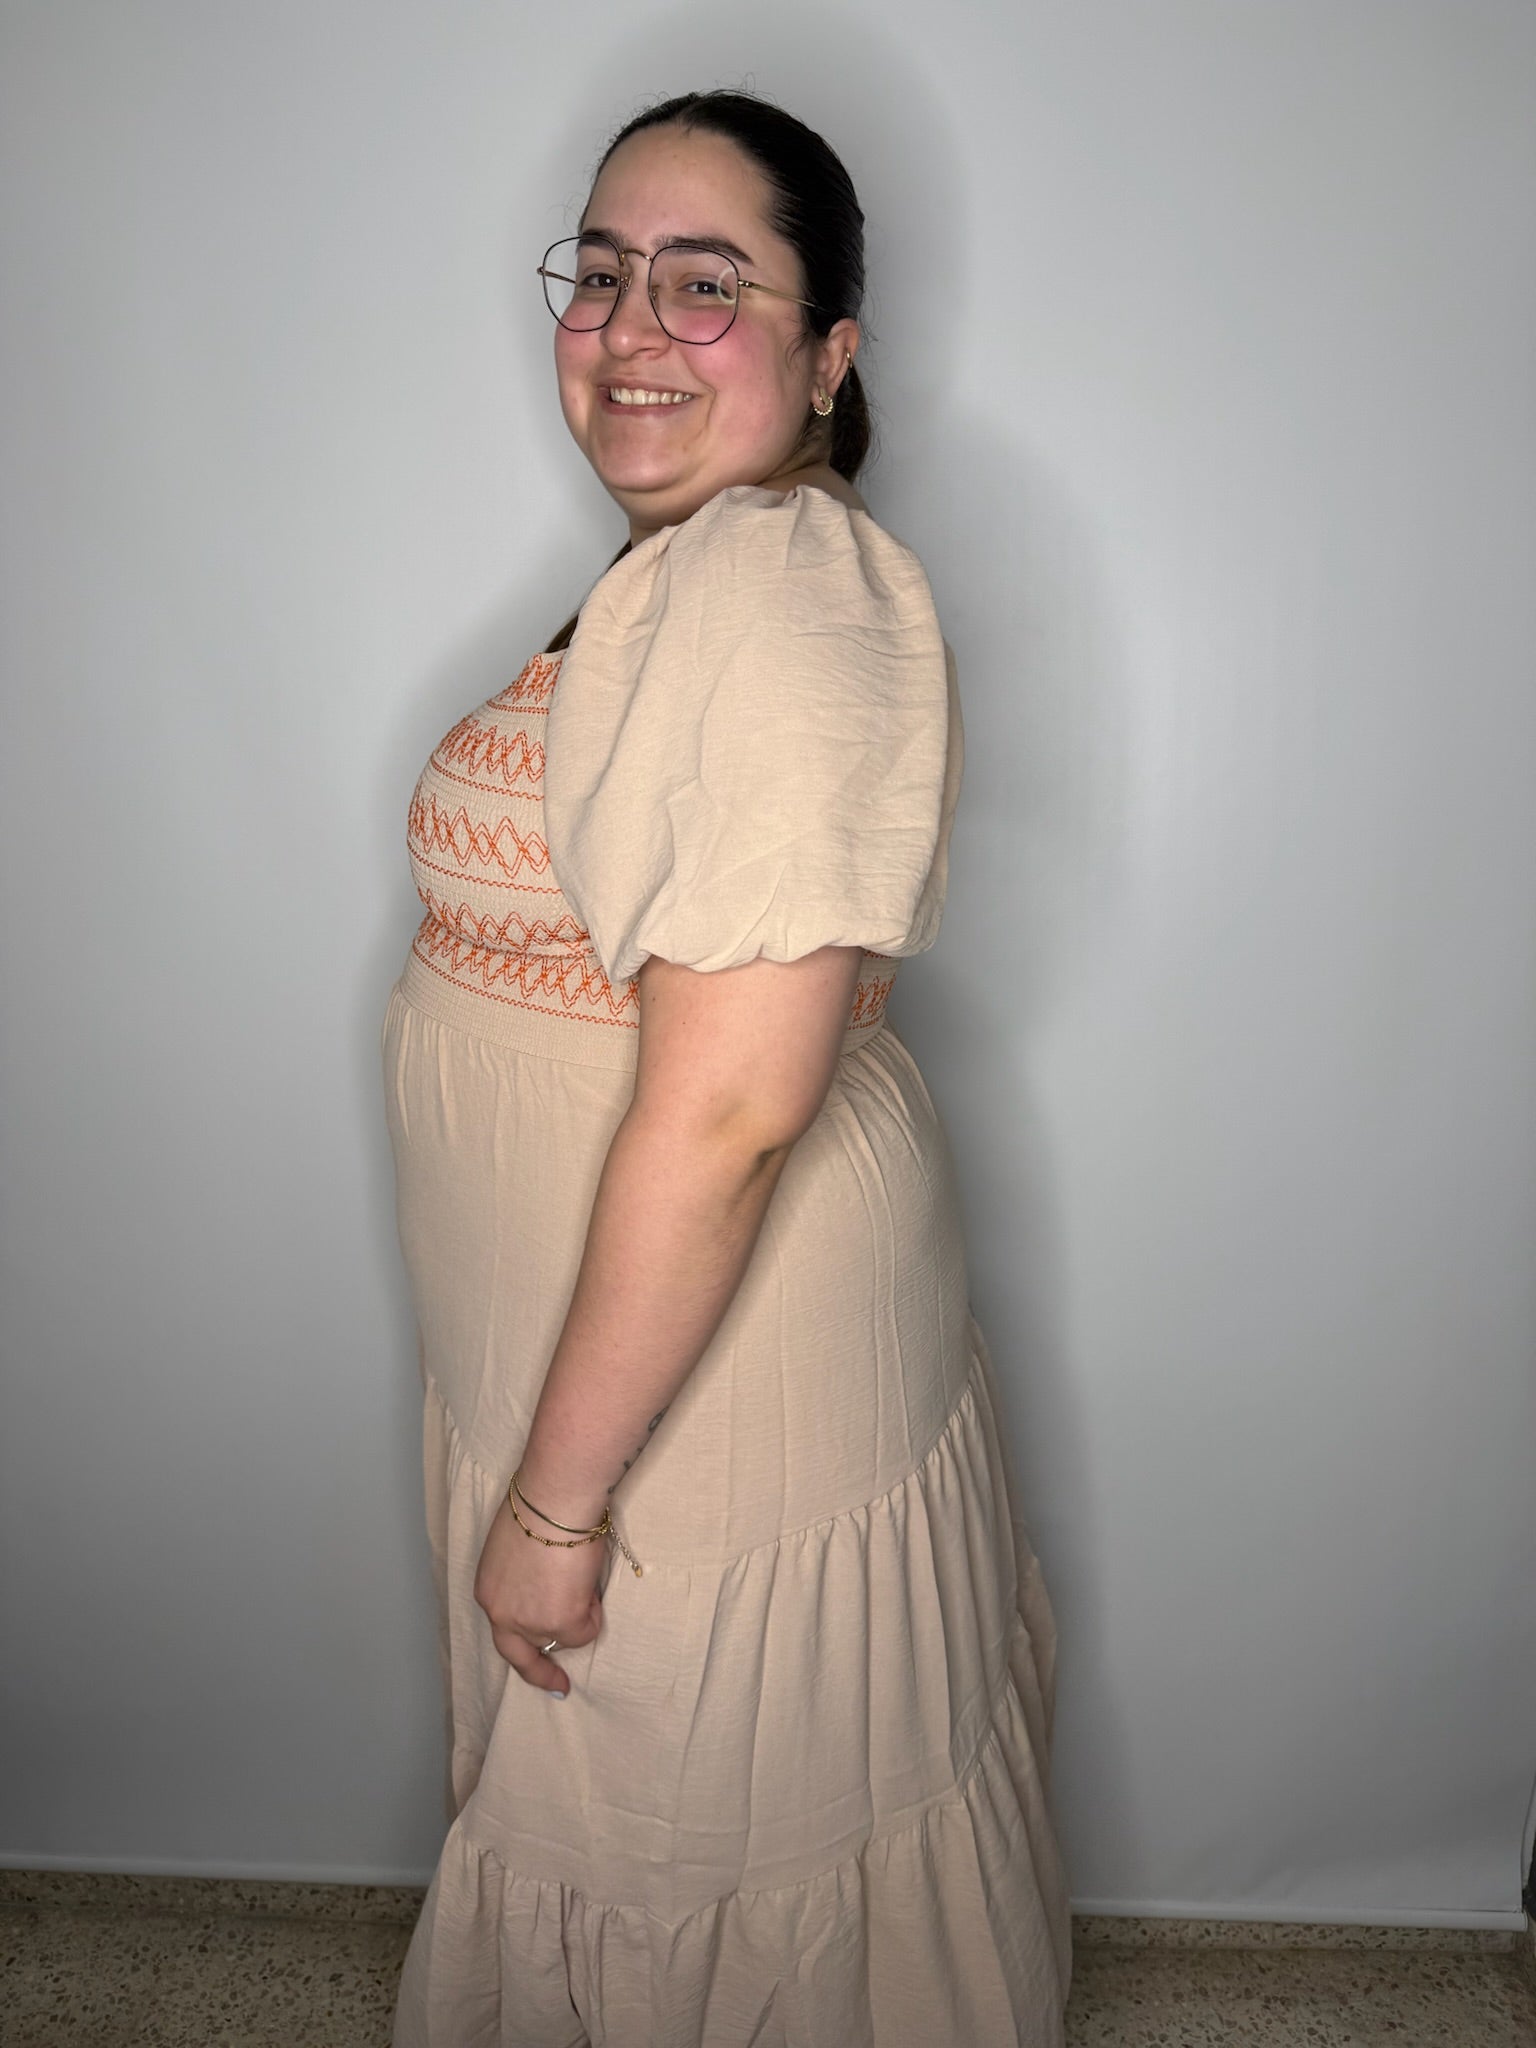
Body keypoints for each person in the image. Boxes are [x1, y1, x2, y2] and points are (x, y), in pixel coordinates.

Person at [383, 87, 1071, 2048]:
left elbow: (736, 1104)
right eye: (600, 274)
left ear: (829, 353)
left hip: (695, 1404)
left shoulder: (773, 582)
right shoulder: (686, 572)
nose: (629, 327)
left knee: (688, 1855)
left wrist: (556, 1510)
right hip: (632, 1362)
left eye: (705, 285)